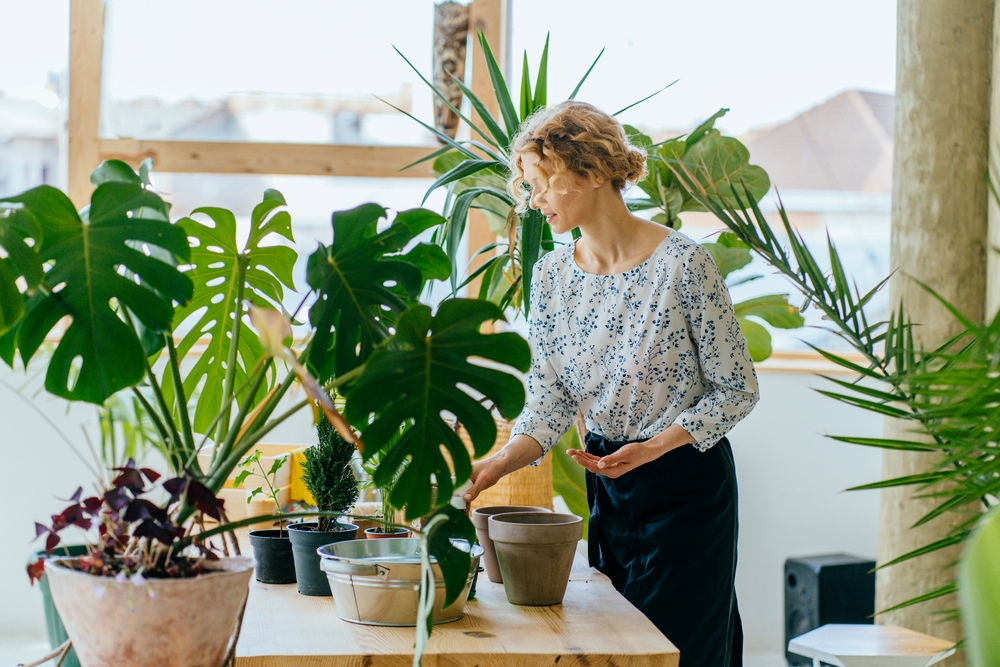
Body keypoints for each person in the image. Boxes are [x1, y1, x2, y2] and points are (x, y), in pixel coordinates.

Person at [462, 101, 760, 667]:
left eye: (541, 184)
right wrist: (500, 463)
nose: (533, 201)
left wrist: (655, 446)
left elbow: (736, 390)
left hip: (686, 491)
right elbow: (549, 401)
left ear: (591, 171)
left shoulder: (684, 266)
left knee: (681, 654)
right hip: (610, 490)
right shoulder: (550, 277)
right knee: (615, 652)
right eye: (527, 188)